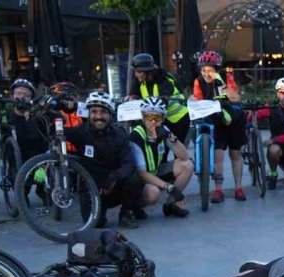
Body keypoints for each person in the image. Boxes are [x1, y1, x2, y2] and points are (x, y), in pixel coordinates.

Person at [63, 91, 143, 229]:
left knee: (135, 178)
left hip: (113, 188)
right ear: (88, 114)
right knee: (97, 225)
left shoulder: (119, 135)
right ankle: (100, 213)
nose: (98, 116)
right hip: (90, 190)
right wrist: (53, 112)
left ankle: (126, 213)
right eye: (94, 112)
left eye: (103, 112)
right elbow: (54, 131)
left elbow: (129, 164)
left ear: (110, 115)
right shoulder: (80, 132)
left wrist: (114, 177)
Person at [193, 51, 247, 202]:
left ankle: (238, 188)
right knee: (218, 155)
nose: (206, 74)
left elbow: (236, 98)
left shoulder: (225, 77)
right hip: (216, 119)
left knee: (235, 154)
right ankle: (218, 190)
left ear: (216, 70)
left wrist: (221, 84)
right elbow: (198, 100)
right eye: (203, 70)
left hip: (234, 118)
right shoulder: (198, 82)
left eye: (210, 70)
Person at [129, 96, 192, 218]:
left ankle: (170, 205)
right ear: (142, 117)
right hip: (140, 178)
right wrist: (169, 187)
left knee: (187, 165)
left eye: (157, 117)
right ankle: (134, 206)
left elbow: (184, 156)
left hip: (156, 171)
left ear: (163, 119)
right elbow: (141, 173)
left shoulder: (164, 130)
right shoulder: (136, 136)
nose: (153, 121)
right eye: (149, 117)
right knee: (153, 193)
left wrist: (170, 137)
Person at [126, 52, 190, 146]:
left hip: (179, 119)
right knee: (160, 151)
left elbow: (162, 103)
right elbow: (133, 94)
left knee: (177, 149)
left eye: (139, 72)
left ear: (147, 72)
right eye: (135, 71)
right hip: (160, 119)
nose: (136, 74)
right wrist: (131, 98)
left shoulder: (164, 81)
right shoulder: (140, 80)